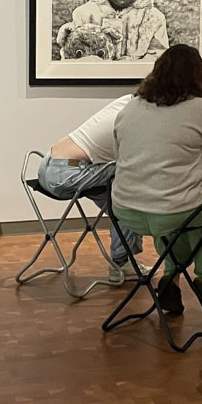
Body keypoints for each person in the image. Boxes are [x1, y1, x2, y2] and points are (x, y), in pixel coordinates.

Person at [111, 44, 202, 326]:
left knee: (178, 211)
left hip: (126, 211)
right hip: (173, 210)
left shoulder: (131, 106)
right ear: (197, 76)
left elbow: (119, 149)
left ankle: (171, 274)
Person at [37, 95, 143, 278]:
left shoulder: (127, 101)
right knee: (130, 187)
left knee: (121, 200)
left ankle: (123, 260)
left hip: (49, 164)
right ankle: (121, 262)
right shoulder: (136, 118)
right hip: (65, 173)